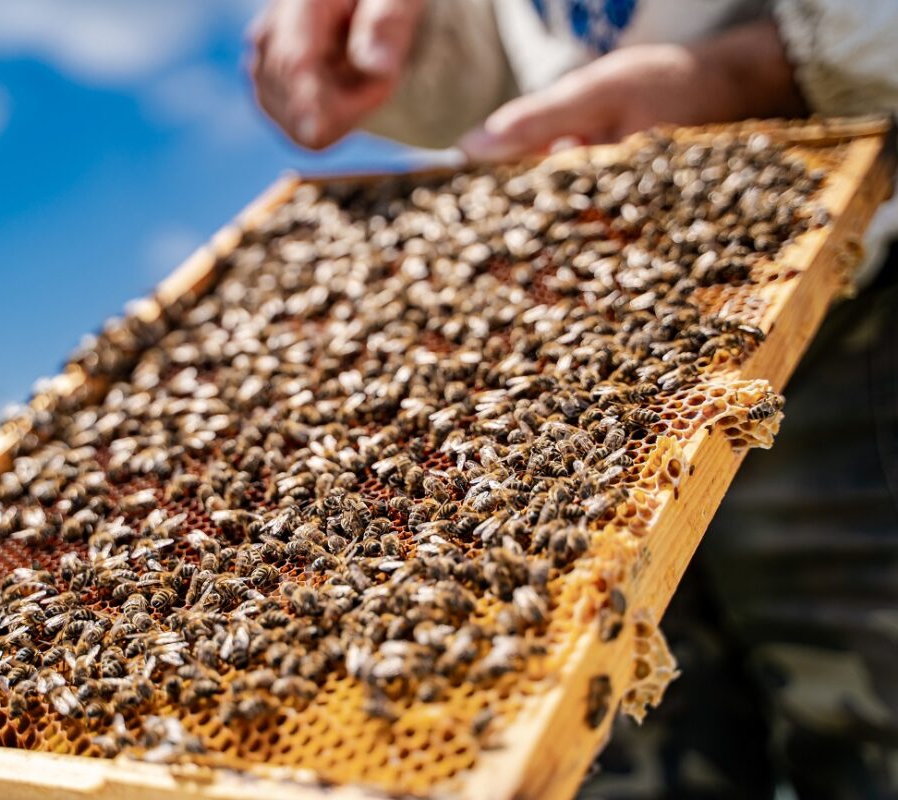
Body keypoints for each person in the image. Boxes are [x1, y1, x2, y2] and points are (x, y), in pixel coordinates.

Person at [250, 3, 898, 798]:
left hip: (856, 319)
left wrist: (771, 66)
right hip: (576, 387)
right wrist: (387, 54)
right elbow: (530, 49)